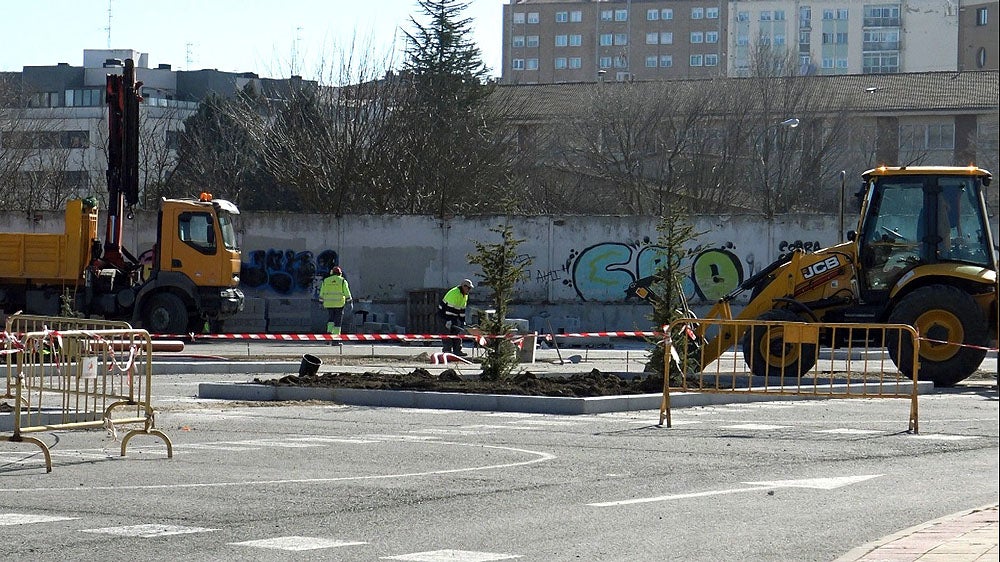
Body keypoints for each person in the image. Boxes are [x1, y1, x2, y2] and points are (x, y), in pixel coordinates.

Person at [438, 278, 473, 356]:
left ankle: (457, 351)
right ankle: (447, 352)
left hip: (453, 316)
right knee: (447, 334)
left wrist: (462, 321)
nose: (469, 290)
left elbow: (462, 310)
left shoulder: (465, 295)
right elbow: (448, 309)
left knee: (456, 333)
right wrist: (448, 321)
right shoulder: (454, 293)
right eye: (469, 288)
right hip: (444, 315)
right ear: (464, 286)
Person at [319, 266, 352, 340]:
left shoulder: (326, 281)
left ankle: (328, 335)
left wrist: (321, 303)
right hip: (339, 304)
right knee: (338, 321)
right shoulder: (342, 281)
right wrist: (350, 302)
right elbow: (347, 292)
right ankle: (336, 339)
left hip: (328, 304)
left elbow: (322, 293)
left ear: (332, 273)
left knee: (331, 319)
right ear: (340, 273)